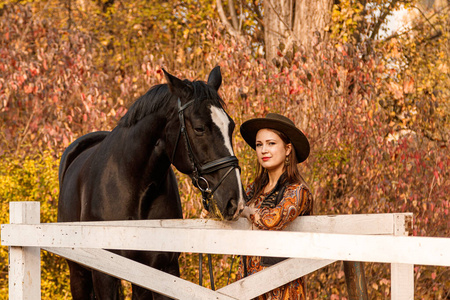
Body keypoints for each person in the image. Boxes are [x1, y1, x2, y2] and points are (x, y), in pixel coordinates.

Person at [238, 113, 313, 300]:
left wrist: (247, 211)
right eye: (259, 144)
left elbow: (274, 219)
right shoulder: (252, 189)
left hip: (281, 287)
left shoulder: (297, 190)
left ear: (287, 149)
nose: (264, 150)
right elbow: (230, 210)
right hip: (247, 285)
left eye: (271, 143)